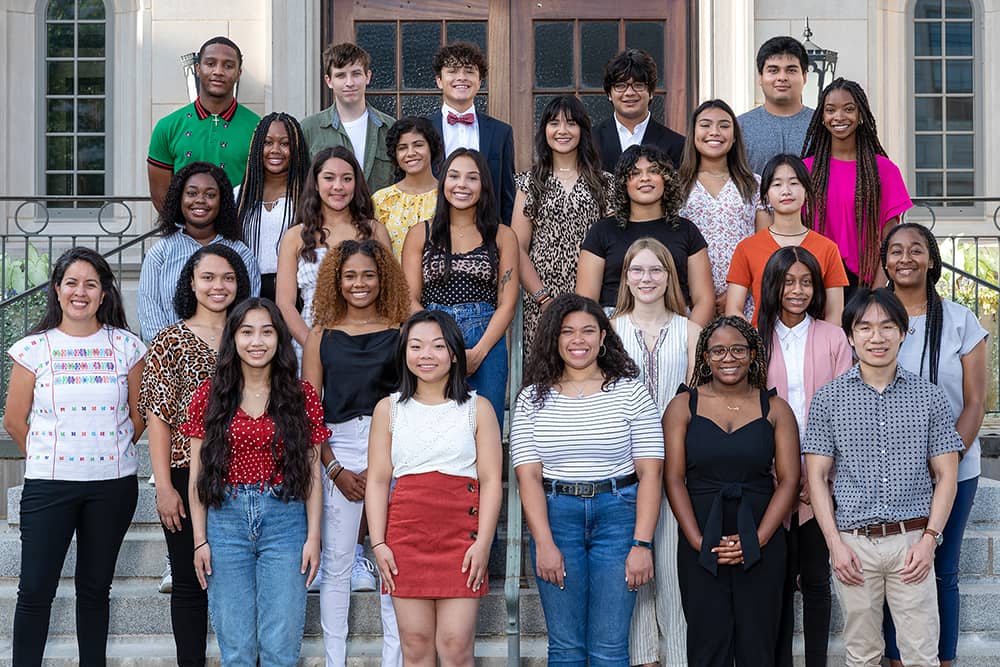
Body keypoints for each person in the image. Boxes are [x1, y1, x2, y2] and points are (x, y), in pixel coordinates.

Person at [803, 288, 963, 666]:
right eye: (866, 328)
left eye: (888, 327)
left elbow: (947, 476)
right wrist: (834, 545)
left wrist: (929, 541)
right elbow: (817, 477)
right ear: (850, 335)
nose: (877, 337)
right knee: (862, 654)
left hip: (912, 543)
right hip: (853, 546)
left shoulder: (930, 397)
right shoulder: (828, 399)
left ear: (903, 332)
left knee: (921, 654)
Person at [4, 247, 146, 665]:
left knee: (95, 589)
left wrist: (111, 448)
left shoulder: (127, 346)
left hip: (112, 487)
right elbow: (14, 420)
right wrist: (52, 459)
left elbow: (138, 416)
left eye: (91, 284)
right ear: (57, 290)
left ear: (104, 294)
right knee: (34, 589)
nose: (80, 292)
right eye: (71, 283)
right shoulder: (32, 348)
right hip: (49, 487)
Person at [511, 294, 664, 666]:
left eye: (587, 331)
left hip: (619, 517)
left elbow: (650, 472)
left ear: (603, 337)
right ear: (554, 339)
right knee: (565, 648)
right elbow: (527, 476)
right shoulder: (532, 398)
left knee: (610, 647)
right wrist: (544, 542)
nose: (578, 340)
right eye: (567, 332)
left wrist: (642, 543)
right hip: (556, 517)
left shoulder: (630, 391)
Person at [184, 298, 328, 666]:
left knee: (280, 649)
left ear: (280, 339)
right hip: (224, 522)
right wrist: (200, 539)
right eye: (246, 331)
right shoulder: (210, 396)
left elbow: (312, 473)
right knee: (237, 651)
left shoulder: (301, 396)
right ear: (233, 338)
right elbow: (198, 476)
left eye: (266, 331)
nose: (256, 341)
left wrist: (313, 536)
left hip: (285, 520)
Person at [365, 310, 503, 667]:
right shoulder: (388, 409)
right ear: (404, 353)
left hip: (462, 539)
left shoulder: (478, 408)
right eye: (416, 346)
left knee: (456, 647)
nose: (426, 354)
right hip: (406, 538)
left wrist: (483, 543)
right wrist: (378, 542)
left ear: (454, 353)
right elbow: (379, 480)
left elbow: (490, 481)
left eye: (438, 346)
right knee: (415, 645)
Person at [880, 224, 988, 667]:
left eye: (916, 250)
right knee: (892, 570)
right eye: (896, 251)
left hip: (954, 470)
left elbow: (977, 401)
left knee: (941, 570)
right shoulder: (873, 317)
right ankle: (895, 659)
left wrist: (945, 460)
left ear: (931, 259)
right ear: (884, 261)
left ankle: (942, 660)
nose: (906, 258)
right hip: (888, 472)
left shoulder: (962, 320)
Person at [663, 316, 799, 666]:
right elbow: (673, 478)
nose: (728, 358)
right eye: (718, 350)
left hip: (762, 533)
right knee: (708, 641)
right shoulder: (682, 407)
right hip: (701, 534)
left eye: (738, 349)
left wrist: (759, 538)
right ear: (705, 357)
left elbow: (788, 480)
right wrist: (696, 541)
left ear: (753, 354)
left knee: (759, 641)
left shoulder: (776, 409)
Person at [139, 245, 251, 667]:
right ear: (191, 283)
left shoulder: (252, 334)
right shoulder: (170, 339)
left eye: (227, 278)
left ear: (239, 283)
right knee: (190, 581)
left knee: (239, 579)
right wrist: (164, 486)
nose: (217, 286)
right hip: (188, 473)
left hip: (247, 472)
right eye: (208, 277)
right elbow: (157, 414)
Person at [301, 240, 411, 667]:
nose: (359, 283)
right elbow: (311, 412)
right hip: (339, 451)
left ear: (382, 278)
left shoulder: (402, 330)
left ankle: (394, 661)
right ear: (336, 281)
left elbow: (412, 402)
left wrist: (385, 467)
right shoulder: (321, 335)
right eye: (350, 275)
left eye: (368, 274)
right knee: (337, 563)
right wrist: (333, 468)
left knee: (390, 560)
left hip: (393, 448)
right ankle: (334, 660)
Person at [755, 246, 852, 667]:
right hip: (768, 479)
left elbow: (844, 409)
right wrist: (781, 475)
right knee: (773, 582)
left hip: (821, 481)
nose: (798, 290)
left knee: (815, 582)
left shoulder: (833, 337)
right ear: (773, 285)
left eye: (807, 282)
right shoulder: (752, 337)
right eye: (789, 281)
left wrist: (816, 480)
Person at [610, 239, 699, 667]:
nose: (647, 279)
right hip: (623, 471)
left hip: (676, 468)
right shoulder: (608, 329)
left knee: (675, 577)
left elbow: (695, 403)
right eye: (638, 270)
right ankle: (643, 659)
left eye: (656, 270)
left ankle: (680, 659)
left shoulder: (691, 330)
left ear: (670, 277)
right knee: (634, 576)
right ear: (626, 276)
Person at [401, 148, 519, 430]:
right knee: (436, 425)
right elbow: (408, 300)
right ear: (443, 184)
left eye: (472, 178)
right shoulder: (420, 234)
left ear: (484, 186)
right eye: (454, 176)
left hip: (486, 339)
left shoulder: (503, 235)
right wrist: (443, 344)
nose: (462, 185)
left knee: (485, 426)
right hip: (433, 336)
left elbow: (508, 303)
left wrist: (478, 351)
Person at [512, 95, 612, 355]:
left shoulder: (605, 184)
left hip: (594, 296)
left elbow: (614, 245)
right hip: (540, 297)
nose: (562, 131)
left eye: (571, 123)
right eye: (554, 123)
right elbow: (518, 247)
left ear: (583, 130)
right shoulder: (528, 183)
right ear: (544, 130)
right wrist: (544, 299)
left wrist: (592, 303)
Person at [275, 146, 391, 361]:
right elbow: (285, 303)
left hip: (367, 346)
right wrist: (313, 346)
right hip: (310, 344)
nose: (338, 186)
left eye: (347, 179)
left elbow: (390, 295)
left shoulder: (375, 231)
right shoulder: (295, 236)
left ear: (356, 184)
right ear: (316, 184)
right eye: (329, 178)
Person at [577, 144, 714, 326]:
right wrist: (607, 341)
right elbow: (586, 301)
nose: (645, 178)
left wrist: (687, 339)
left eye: (653, 171)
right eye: (634, 173)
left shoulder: (686, 231)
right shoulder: (602, 231)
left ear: (666, 179)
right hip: (614, 328)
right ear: (623, 183)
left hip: (676, 327)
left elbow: (704, 299)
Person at [802, 78, 913, 292]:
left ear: (860, 115)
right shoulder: (806, 171)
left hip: (865, 284)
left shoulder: (885, 171)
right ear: (822, 118)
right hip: (814, 283)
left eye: (849, 109)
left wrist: (877, 293)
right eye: (830, 110)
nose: (839, 117)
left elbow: (889, 242)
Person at [138, 162, 261, 343]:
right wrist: (176, 352)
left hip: (229, 358)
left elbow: (249, 312)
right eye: (192, 193)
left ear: (223, 201)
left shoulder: (240, 253)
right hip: (173, 359)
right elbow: (150, 313)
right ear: (180, 198)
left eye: (210, 195)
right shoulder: (161, 252)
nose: (200, 200)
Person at [726, 154, 847, 326]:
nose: (786, 191)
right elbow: (733, 309)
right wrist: (757, 344)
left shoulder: (828, 248)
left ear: (806, 192)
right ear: (765, 196)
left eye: (794, 183)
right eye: (777, 184)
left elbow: (834, 314)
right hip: (763, 344)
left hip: (814, 347)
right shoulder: (747, 248)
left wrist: (821, 346)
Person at [147, 36, 261, 212]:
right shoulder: (167, 127)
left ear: (239, 73)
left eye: (228, 66)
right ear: (198, 69)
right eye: (210, 63)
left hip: (242, 234)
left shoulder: (259, 128)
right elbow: (160, 196)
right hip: (184, 234)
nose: (218, 71)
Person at [677, 99, 766, 314]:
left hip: (744, 298)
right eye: (705, 125)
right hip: (688, 301)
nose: (714, 132)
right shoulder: (675, 185)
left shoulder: (755, 184)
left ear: (735, 136)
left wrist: (737, 293)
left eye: (724, 126)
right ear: (693, 133)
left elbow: (764, 245)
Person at [428, 41, 515, 226]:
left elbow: (508, 196)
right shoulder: (422, 130)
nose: (461, 77)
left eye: (469, 71)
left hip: (488, 232)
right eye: (452, 71)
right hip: (433, 231)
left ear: (479, 82)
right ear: (439, 81)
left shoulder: (501, 132)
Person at [301, 42, 397, 194]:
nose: (349, 83)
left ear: (368, 77)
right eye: (340, 75)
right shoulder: (309, 128)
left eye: (356, 74)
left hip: (380, 217)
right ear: (329, 81)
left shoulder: (390, 128)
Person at [235, 112, 311, 301]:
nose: (275, 150)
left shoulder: (308, 196)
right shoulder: (239, 195)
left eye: (284, 144)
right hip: (248, 291)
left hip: (296, 293)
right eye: (268, 143)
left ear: (296, 149)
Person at [593, 48, 685, 172]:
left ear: (651, 92)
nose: (629, 93)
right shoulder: (590, 140)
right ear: (609, 94)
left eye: (638, 85)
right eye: (620, 86)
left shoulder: (677, 144)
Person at [738, 36, 813, 175]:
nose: (782, 77)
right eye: (773, 70)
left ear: (805, 76)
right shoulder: (739, 128)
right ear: (760, 77)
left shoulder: (821, 125)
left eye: (791, 70)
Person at [371, 116, 444, 259]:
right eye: (402, 148)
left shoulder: (448, 196)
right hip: (393, 280)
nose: (410, 153)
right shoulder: (380, 201)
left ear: (431, 147)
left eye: (418, 145)